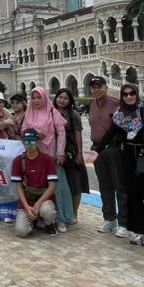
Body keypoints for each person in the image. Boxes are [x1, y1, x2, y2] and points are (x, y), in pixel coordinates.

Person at [96, 83, 144, 247]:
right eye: (125, 94)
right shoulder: (120, 116)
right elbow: (110, 133)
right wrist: (97, 150)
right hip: (128, 157)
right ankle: (138, 230)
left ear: (137, 94)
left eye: (132, 93)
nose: (129, 96)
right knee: (133, 195)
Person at [23, 87, 72, 232]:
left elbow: (61, 132)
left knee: (57, 187)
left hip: (51, 154)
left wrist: (60, 152)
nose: (36, 101)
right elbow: (23, 131)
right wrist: (33, 134)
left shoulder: (52, 111)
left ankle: (61, 219)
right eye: (33, 98)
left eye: (39, 97)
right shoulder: (29, 112)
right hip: (34, 155)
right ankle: (42, 219)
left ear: (44, 97)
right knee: (38, 185)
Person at [87, 76, 124, 236]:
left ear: (106, 88)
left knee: (120, 186)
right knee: (105, 186)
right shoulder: (92, 105)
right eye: (93, 87)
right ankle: (109, 219)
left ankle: (124, 223)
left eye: (99, 86)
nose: (96, 90)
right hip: (97, 149)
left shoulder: (116, 104)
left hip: (114, 149)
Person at [11, 128, 59, 238]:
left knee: (47, 211)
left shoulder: (47, 159)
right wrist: (26, 207)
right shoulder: (18, 161)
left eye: (32, 141)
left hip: (44, 198)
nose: (29, 145)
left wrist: (38, 204)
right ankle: (33, 221)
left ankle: (49, 223)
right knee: (21, 232)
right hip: (28, 199)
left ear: (38, 142)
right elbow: (18, 186)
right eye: (26, 141)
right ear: (23, 142)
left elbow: (52, 186)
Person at [54, 89, 89, 224]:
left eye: (65, 98)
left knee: (75, 183)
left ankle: (74, 213)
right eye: (60, 97)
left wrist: (79, 152)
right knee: (59, 185)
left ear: (70, 101)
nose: (62, 100)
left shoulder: (73, 114)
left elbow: (78, 134)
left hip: (71, 152)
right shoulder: (51, 112)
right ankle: (61, 213)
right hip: (55, 153)